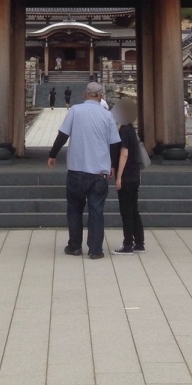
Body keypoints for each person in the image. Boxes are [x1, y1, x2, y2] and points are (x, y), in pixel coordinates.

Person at [48, 80, 121, 259]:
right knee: (97, 211)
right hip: (99, 172)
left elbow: (63, 134)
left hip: (76, 170)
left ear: (85, 94)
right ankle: (95, 250)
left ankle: (74, 246)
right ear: (101, 96)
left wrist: (53, 154)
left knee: (74, 209)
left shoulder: (75, 110)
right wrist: (113, 165)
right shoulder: (107, 115)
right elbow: (115, 143)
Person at [114, 97, 145, 254]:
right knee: (134, 209)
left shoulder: (124, 131)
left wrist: (118, 176)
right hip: (135, 174)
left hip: (126, 175)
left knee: (126, 210)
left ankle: (128, 244)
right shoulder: (132, 130)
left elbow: (124, 154)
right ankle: (139, 243)